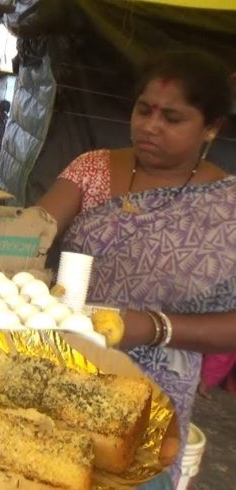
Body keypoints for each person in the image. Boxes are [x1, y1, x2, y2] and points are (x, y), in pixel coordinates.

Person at [37, 50, 236, 487]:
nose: (150, 125)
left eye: (172, 118)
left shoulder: (226, 208)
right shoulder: (92, 169)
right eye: (144, 110)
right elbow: (33, 232)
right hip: (65, 360)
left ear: (211, 127)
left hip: (154, 392)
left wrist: (152, 327)